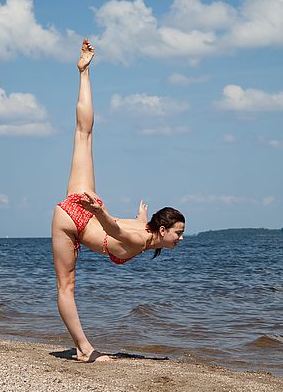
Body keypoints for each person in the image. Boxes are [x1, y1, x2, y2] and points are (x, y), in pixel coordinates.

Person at [52, 39, 185, 362]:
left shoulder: (146, 229)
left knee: (85, 134)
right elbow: (114, 230)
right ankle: (85, 350)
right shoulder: (141, 238)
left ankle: (84, 73)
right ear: (164, 229)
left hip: (83, 205)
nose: (181, 237)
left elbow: (132, 226)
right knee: (66, 287)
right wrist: (100, 212)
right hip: (78, 218)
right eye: (178, 232)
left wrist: (135, 215)